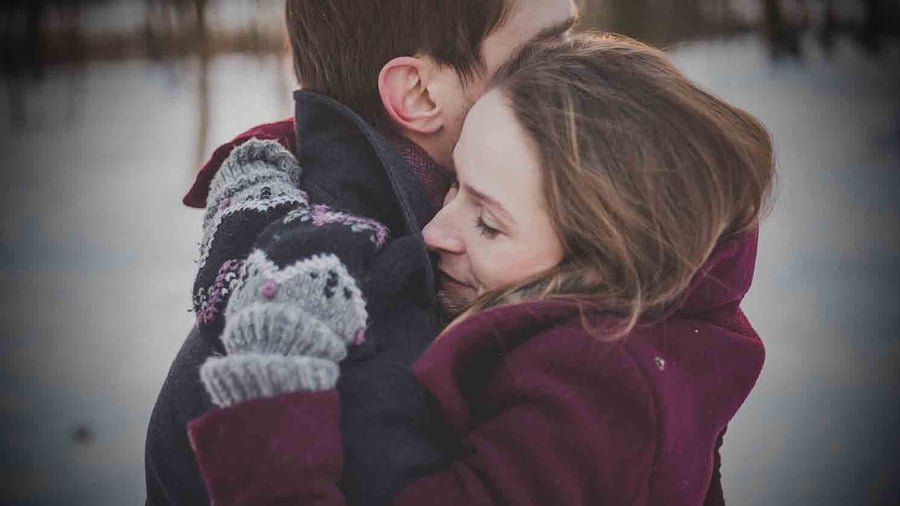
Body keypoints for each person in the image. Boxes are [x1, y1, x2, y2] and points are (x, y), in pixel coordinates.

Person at [185, 32, 776, 505]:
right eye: (455, 184)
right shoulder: (658, 337)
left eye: (488, 223)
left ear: (605, 259)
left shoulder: (591, 404)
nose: (435, 233)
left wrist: (268, 404)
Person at [144, 1, 578, 504]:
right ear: (419, 93)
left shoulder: (369, 246)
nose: (583, 70)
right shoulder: (364, 322)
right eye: (546, 51)